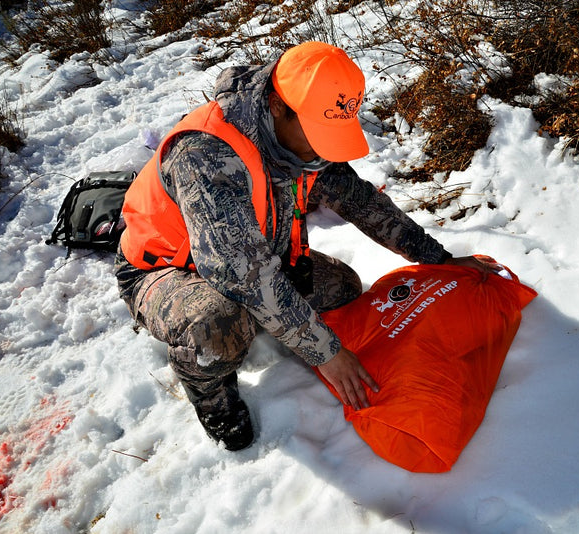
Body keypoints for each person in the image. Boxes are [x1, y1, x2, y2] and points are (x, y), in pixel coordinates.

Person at [115, 41, 497, 451]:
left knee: (343, 287)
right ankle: (213, 399)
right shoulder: (206, 154)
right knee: (218, 323)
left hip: (254, 255)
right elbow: (242, 275)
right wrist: (326, 353)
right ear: (278, 106)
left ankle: (267, 319)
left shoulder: (298, 142)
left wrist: (438, 258)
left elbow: (361, 202)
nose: (322, 151)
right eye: (317, 134)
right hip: (165, 270)